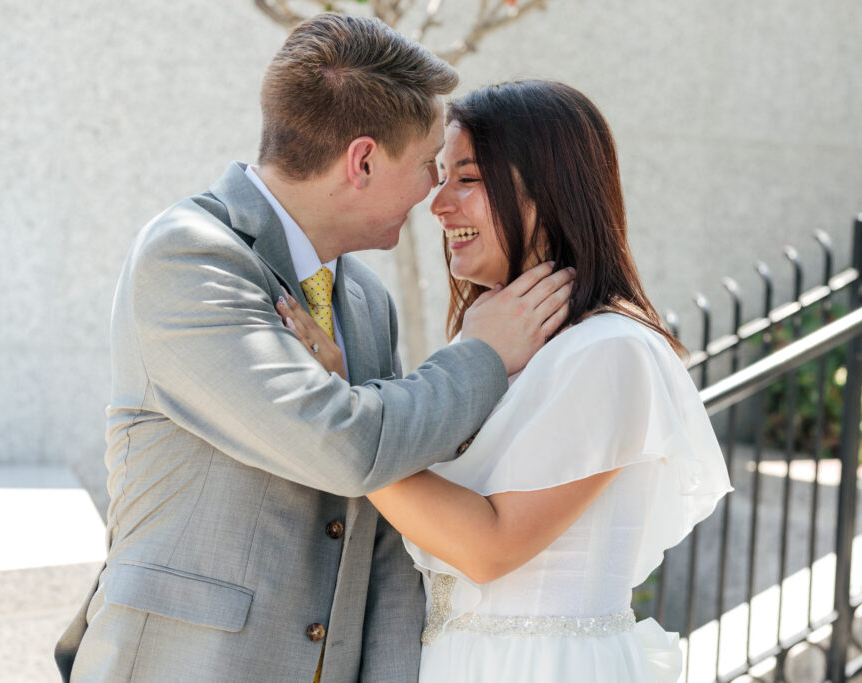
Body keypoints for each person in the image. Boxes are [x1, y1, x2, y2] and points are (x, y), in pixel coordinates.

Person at [54, 16, 574, 683]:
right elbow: (346, 447)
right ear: (361, 161)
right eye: (426, 167)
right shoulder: (188, 255)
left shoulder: (365, 301)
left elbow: (384, 527)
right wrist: (481, 353)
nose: (431, 195)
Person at [282, 79, 732, 682]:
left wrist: (341, 414)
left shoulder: (612, 351)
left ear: (552, 191)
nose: (438, 204)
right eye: (440, 177)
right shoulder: (488, 344)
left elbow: (488, 547)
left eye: (466, 179)